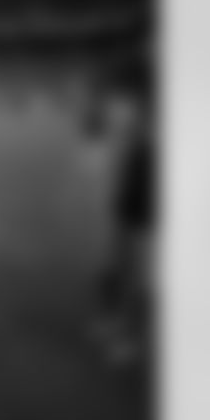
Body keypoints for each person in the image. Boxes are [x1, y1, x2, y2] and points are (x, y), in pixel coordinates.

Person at [91, 63, 158, 365]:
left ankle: (126, 334)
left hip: (143, 186)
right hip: (133, 184)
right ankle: (114, 324)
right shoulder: (133, 120)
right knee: (120, 262)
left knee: (136, 268)